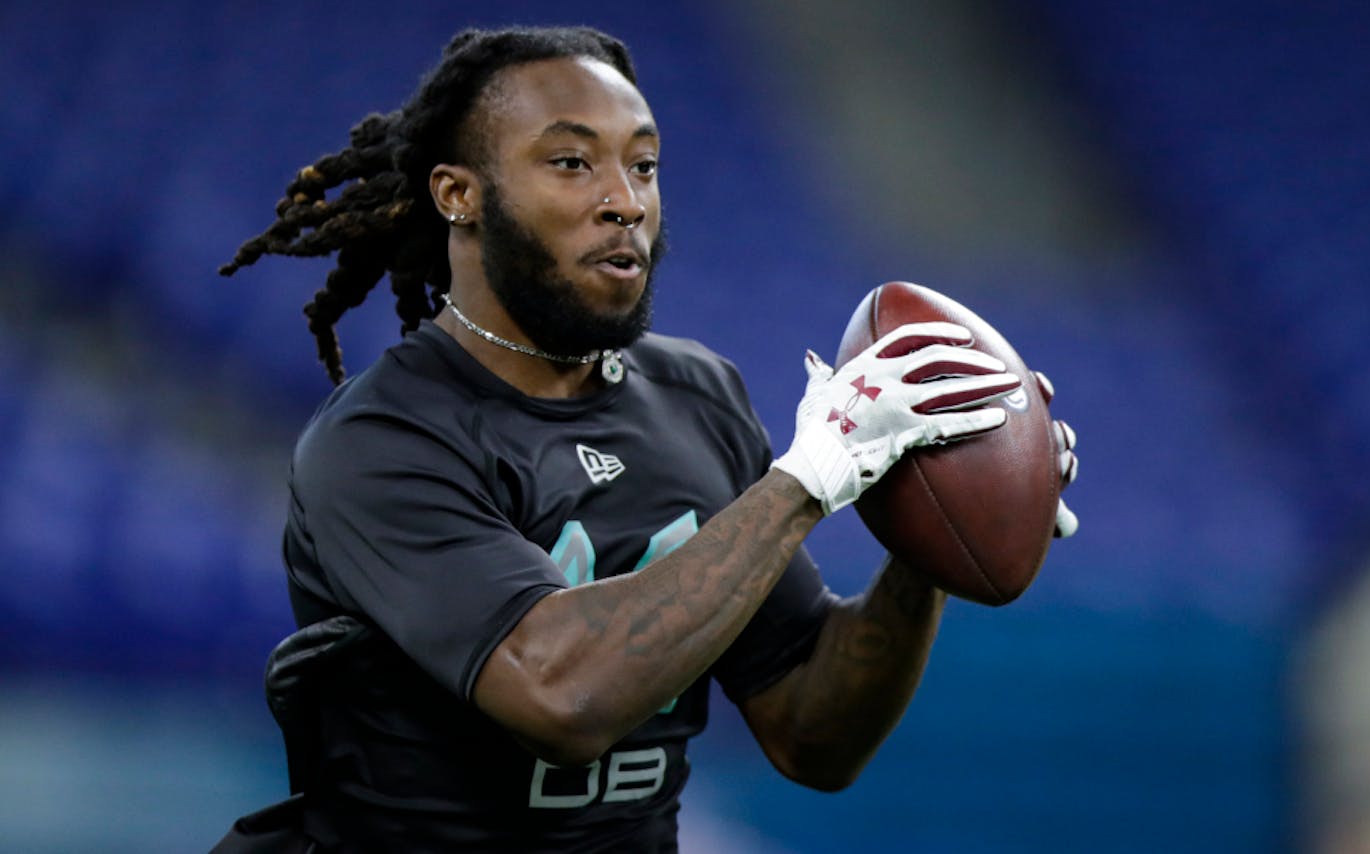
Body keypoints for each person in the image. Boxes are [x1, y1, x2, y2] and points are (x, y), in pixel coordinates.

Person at [213, 24, 1079, 853]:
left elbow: (813, 738)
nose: (624, 202)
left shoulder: (696, 393)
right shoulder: (382, 437)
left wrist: (925, 510)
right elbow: (563, 697)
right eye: (571, 162)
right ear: (459, 195)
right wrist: (808, 480)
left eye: (643, 166)